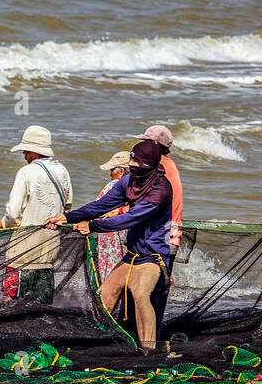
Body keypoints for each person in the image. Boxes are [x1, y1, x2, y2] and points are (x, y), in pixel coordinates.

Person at [43, 141, 173, 351]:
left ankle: (149, 352)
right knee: (104, 295)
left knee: (141, 295)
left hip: (152, 256)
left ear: (148, 165)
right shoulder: (129, 181)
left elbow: (130, 219)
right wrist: (67, 217)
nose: (131, 165)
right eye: (131, 160)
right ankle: (94, 344)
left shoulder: (161, 189)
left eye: (136, 162)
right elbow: (101, 206)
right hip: (132, 255)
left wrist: (93, 226)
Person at [0, 125, 73, 302]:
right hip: (51, 246)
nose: (24, 155)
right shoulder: (63, 171)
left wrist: (3, 223)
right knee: (41, 302)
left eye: (26, 151)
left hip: (24, 249)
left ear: (34, 152)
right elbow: (67, 209)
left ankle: (7, 329)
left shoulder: (26, 172)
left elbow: (13, 214)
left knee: (10, 298)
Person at [137, 124, 184, 323]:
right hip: (170, 237)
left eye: (146, 143)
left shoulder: (159, 167)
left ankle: (144, 343)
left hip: (159, 240)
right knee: (156, 294)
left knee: (146, 294)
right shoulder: (170, 164)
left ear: (155, 145)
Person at [92, 150, 131, 284]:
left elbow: (96, 209)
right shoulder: (136, 186)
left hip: (111, 235)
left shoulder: (113, 186)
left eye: (112, 170)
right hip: (128, 236)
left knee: (109, 272)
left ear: (121, 171)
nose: (110, 174)